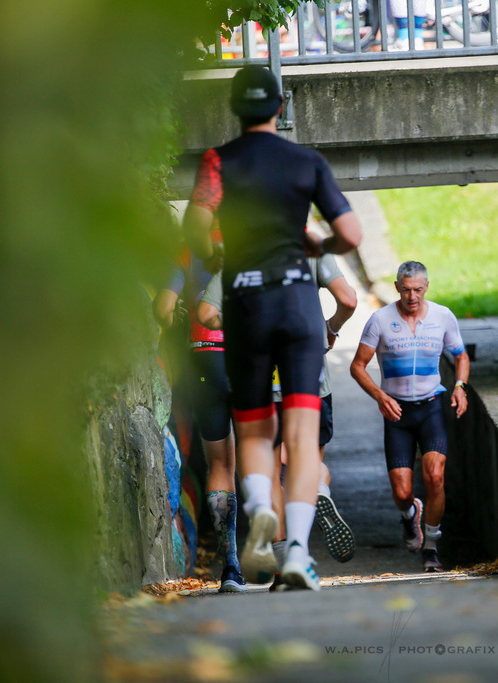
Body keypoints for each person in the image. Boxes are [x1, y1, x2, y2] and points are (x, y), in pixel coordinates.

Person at [182, 65, 362, 591]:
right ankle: (299, 555)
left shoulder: (218, 160)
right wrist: (318, 246)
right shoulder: (306, 161)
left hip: (246, 305)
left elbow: (196, 221)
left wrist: (215, 252)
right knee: (302, 436)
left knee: (255, 427)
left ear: (236, 110)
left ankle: (260, 509)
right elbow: (349, 232)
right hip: (300, 309)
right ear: (280, 107)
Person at [197, 249, 359, 571]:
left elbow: (206, 314)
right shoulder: (310, 248)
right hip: (308, 377)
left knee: (269, 475)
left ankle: (286, 562)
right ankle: (319, 489)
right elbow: (350, 299)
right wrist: (331, 327)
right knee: (305, 463)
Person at [350, 261, 470, 572]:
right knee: (402, 492)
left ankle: (431, 547)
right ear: (396, 288)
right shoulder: (380, 320)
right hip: (397, 412)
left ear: (426, 287)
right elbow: (357, 366)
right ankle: (409, 513)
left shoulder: (443, 316)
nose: (412, 296)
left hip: (430, 407)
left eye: (417, 289)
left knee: (435, 477)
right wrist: (381, 396)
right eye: (405, 290)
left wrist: (460, 386)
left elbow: (461, 355)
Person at [152, 237, 244, 593]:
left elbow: (162, 308)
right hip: (247, 354)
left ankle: (231, 566)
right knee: (261, 450)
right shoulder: (254, 241)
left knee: (220, 462)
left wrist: (177, 316)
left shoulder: (187, 250)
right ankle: (280, 552)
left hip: (205, 354)